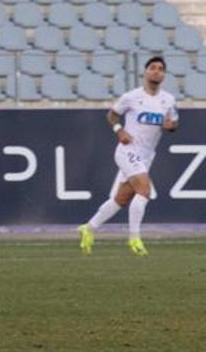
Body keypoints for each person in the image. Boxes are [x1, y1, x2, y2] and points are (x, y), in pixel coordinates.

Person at [76, 58, 178, 257]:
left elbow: (173, 123)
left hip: (147, 156)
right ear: (145, 72)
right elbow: (112, 115)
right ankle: (134, 238)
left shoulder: (169, 100)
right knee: (144, 190)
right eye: (153, 68)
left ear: (164, 75)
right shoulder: (131, 97)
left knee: (121, 199)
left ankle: (89, 228)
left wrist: (170, 126)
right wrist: (119, 130)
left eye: (160, 69)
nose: (157, 72)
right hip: (127, 150)